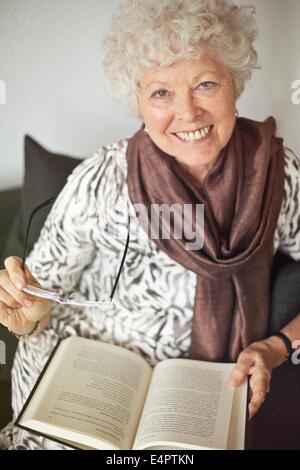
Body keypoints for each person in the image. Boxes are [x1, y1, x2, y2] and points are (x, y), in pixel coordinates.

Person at [0, 0, 300, 450]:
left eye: (205, 83)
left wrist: (274, 347)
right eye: (161, 92)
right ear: (138, 100)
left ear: (235, 84)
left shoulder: (279, 174)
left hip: (200, 392)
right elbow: (38, 303)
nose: (188, 111)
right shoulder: (103, 178)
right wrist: (27, 319)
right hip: (83, 372)